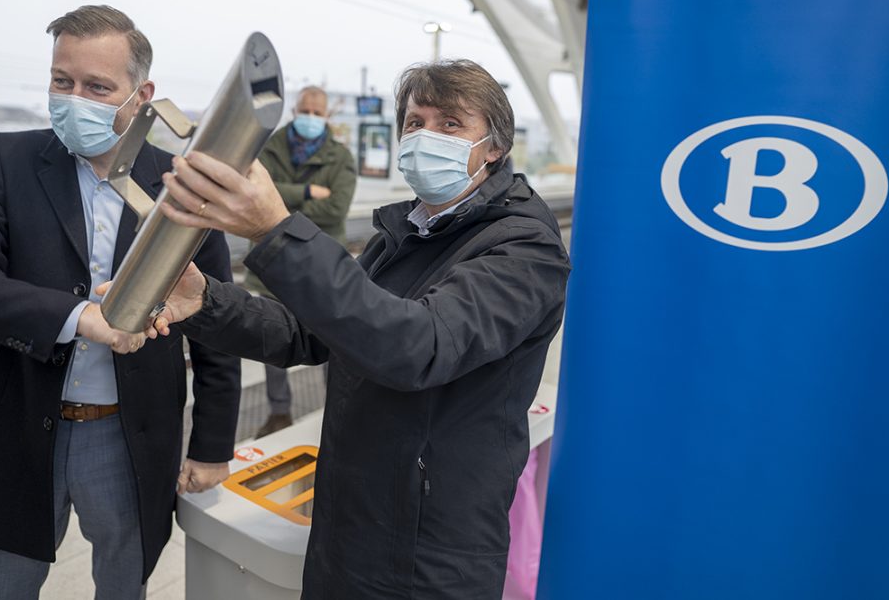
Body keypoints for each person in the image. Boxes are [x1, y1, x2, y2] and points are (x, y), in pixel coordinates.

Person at [140, 59, 570, 598]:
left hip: (430, 552)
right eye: (415, 123)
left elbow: (417, 347)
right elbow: (309, 331)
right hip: (348, 522)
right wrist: (205, 302)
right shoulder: (402, 233)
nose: (425, 136)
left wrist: (277, 232)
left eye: (451, 124)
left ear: (494, 148)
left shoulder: (523, 249)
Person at [0, 5, 242, 600]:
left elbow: (215, 316)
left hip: (128, 431)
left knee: (124, 581)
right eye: (62, 81)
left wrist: (213, 445)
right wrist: (77, 318)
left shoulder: (182, 182)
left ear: (141, 95)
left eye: (97, 86)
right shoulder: (8, 160)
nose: (74, 98)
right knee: (1, 587)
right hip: (18, 424)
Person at [244, 85, 356, 438]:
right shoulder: (267, 147)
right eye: (305, 110)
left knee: (330, 341)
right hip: (271, 263)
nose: (310, 117)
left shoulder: (340, 157)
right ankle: (279, 412)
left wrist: (277, 205)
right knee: (271, 341)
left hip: (318, 263)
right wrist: (307, 193)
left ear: (327, 117)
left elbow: (337, 209)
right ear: (295, 110)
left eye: (317, 112)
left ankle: (334, 412)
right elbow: (251, 193)